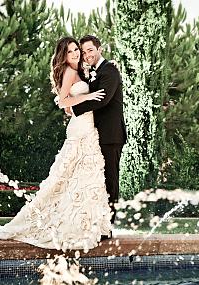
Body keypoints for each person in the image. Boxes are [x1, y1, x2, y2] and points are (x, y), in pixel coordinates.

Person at [0, 37, 112, 252]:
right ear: (63, 56)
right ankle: (70, 222)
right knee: (69, 176)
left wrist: (85, 97)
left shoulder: (82, 71)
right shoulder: (69, 72)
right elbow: (62, 101)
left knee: (85, 178)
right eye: (70, 51)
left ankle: (85, 223)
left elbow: (69, 106)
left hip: (88, 129)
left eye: (77, 50)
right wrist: (90, 96)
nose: (75, 54)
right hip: (80, 130)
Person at [72, 35, 127, 228]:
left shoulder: (110, 70)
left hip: (111, 136)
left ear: (99, 49)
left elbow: (102, 99)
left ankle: (108, 226)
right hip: (97, 135)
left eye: (90, 50)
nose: (87, 55)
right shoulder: (97, 71)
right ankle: (97, 222)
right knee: (99, 180)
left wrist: (75, 110)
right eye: (84, 52)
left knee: (110, 181)